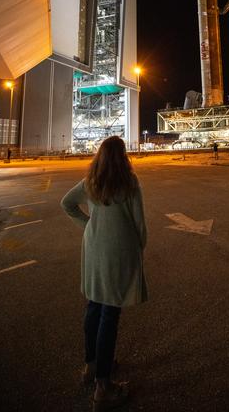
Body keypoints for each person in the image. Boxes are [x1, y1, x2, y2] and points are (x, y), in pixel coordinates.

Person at [61, 136, 147, 411]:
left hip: (94, 249)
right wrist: (138, 248)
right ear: (123, 157)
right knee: (110, 313)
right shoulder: (129, 182)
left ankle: (92, 365)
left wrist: (88, 225)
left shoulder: (91, 182)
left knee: (94, 307)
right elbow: (139, 224)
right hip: (119, 252)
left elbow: (66, 203)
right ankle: (103, 387)